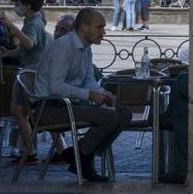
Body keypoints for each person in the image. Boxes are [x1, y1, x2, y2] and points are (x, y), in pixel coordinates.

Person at [32, 9, 131, 182]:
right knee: (110, 117)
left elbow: (88, 80)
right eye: (99, 27)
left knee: (124, 113)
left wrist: (103, 93)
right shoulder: (63, 46)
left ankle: (80, 154)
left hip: (71, 104)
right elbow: (56, 87)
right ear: (84, 27)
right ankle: (82, 156)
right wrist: (90, 96)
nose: (103, 32)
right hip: (49, 108)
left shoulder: (86, 49)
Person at [1, 0, 61, 162]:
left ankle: (30, 150)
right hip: (37, 72)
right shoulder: (35, 22)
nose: (16, 8)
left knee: (19, 111)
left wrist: (10, 25)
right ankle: (61, 149)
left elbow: (29, 44)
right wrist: (9, 53)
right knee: (42, 111)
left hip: (30, 74)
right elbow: (27, 49)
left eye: (18, 4)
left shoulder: (33, 23)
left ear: (26, 5)